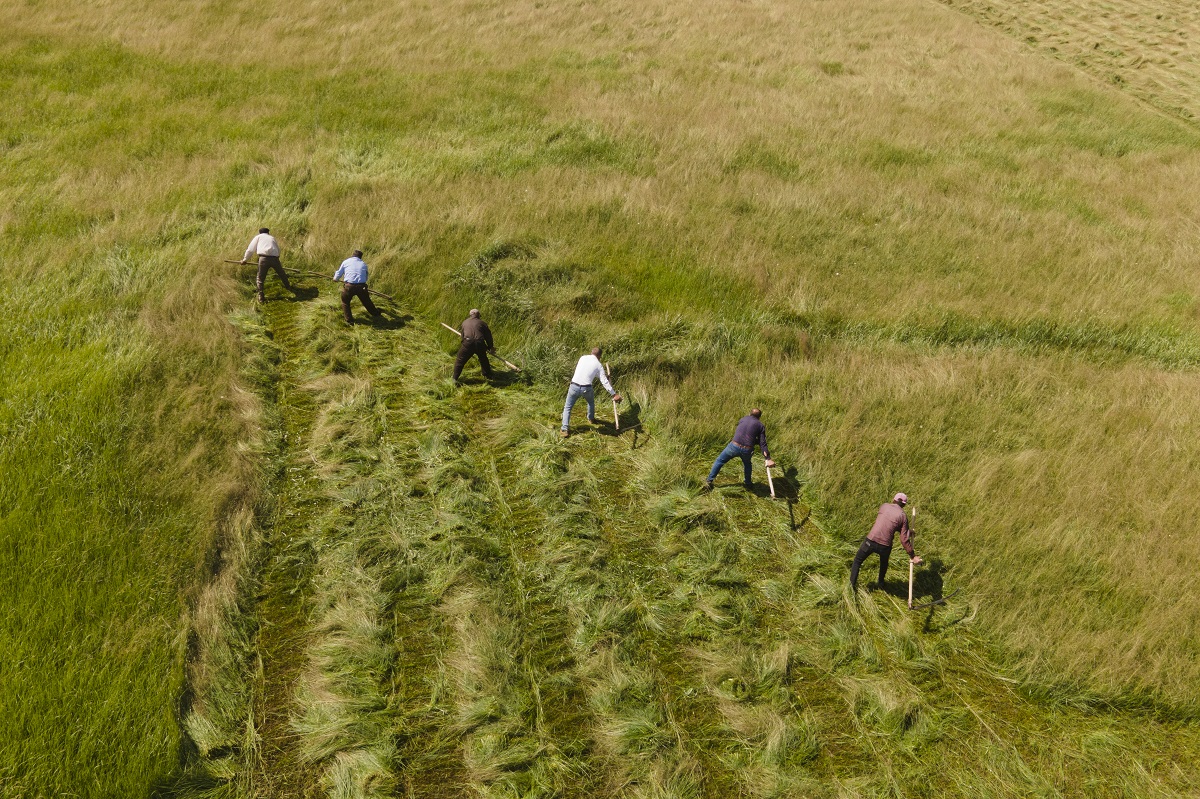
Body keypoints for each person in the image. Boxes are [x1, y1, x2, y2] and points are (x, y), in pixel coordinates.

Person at [850, 493, 923, 592]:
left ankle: (851, 586)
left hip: (870, 541)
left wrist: (907, 531)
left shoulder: (884, 506)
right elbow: (903, 538)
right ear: (904, 505)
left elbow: (887, 522)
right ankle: (881, 583)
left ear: (894, 499)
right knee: (884, 564)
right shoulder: (903, 516)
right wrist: (912, 556)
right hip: (885, 546)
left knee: (857, 561)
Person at [704, 408, 775, 490]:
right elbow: (762, 443)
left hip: (734, 446)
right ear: (759, 417)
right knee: (747, 464)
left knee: (719, 461)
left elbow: (744, 434)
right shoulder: (760, 425)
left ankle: (709, 481)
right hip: (747, 450)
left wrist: (754, 441)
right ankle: (748, 484)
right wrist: (768, 458)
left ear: (750, 414)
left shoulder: (743, 419)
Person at [561, 348, 621, 438]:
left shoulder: (582, 358)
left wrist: (603, 376)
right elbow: (604, 381)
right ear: (600, 356)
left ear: (591, 353)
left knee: (567, 408)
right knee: (591, 402)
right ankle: (591, 419)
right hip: (586, 388)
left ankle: (564, 429)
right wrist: (614, 394)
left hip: (574, 386)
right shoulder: (598, 365)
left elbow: (588, 371)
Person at [241, 227, 292, 303]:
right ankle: (288, 287)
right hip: (275, 259)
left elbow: (250, 250)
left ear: (260, 232)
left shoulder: (258, 237)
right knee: (282, 274)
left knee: (260, 278)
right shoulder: (272, 238)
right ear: (268, 232)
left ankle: (261, 296)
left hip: (263, 259)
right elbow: (278, 249)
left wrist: (245, 260)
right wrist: (276, 258)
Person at [333, 249, 381, 325]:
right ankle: (375, 313)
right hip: (362, 287)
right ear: (360, 257)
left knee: (345, 302)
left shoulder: (346, 262)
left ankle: (349, 320)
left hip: (349, 287)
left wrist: (335, 279)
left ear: (353, 255)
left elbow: (339, 273)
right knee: (366, 301)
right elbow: (365, 277)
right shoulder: (363, 264)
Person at [453, 309, 495, 382]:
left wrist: (466, 346)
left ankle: (454, 379)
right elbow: (488, 337)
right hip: (480, 343)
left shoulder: (465, 322)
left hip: (468, 342)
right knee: (483, 359)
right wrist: (490, 347)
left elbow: (462, 337)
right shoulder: (482, 323)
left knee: (460, 361)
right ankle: (488, 376)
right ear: (478, 315)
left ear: (470, 315)